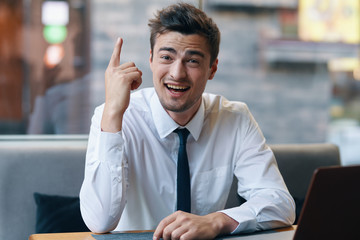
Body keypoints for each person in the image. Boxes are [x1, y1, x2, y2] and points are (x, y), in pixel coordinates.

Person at [80, 3, 295, 240]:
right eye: (166, 57)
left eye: (192, 61)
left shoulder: (235, 118)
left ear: (212, 68)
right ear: (151, 59)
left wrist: (216, 221)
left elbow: (281, 204)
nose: (177, 73)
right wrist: (112, 113)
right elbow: (99, 222)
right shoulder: (115, 116)